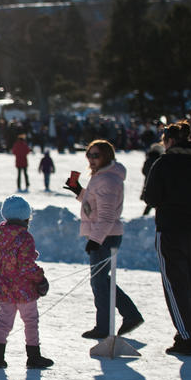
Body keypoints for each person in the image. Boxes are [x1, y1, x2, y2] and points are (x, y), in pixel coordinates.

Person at [144, 121, 191, 355]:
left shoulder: (165, 163)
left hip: (171, 227)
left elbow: (151, 197)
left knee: (175, 283)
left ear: (169, 141)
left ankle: (187, 336)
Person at [64, 140, 144, 340]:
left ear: (106, 156)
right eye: (89, 155)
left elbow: (107, 216)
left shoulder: (107, 179)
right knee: (102, 281)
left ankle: (105, 326)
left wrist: (96, 240)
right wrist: (79, 192)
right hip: (105, 235)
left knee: (99, 282)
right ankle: (130, 315)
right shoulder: (102, 177)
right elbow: (94, 205)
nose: (91, 159)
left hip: (106, 236)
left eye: (96, 155)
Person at [0, 195, 53, 369]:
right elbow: (26, 265)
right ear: (26, 217)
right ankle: (33, 357)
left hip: (4, 287)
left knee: (3, 321)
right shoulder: (25, 237)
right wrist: (40, 279)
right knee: (30, 321)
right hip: (24, 289)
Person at [140, 142, 164, 215]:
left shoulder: (148, 159)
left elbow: (143, 171)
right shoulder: (160, 160)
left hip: (147, 181)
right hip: (157, 182)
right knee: (157, 199)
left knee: (150, 198)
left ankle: (146, 214)